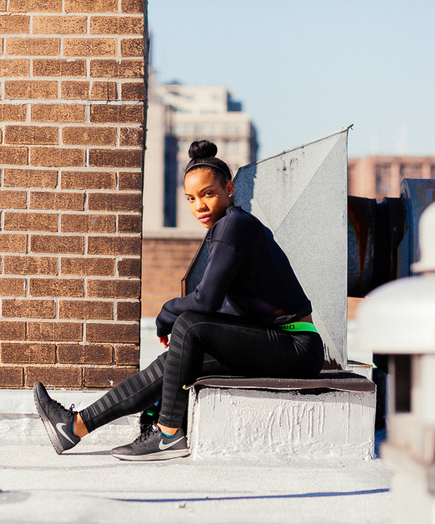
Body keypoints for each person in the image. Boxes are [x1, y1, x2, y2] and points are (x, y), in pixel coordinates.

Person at [33, 140, 324, 461]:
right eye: (191, 198)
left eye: (208, 194)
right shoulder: (231, 227)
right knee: (176, 357)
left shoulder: (234, 226)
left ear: (229, 188)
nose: (199, 205)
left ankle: (169, 433)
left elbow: (205, 302)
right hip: (276, 343)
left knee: (189, 324)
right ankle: (73, 427)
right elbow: (232, 310)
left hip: (295, 345)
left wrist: (165, 315)